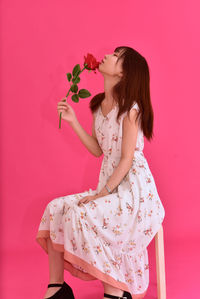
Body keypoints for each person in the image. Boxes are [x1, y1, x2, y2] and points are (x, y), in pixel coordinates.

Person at [36, 46, 165, 299]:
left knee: (82, 213)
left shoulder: (132, 109)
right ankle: (57, 288)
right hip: (108, 186)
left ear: (123, 74)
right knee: (55, 208)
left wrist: (100, 195)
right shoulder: (98, 105)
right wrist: (73, 122)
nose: (108, 55)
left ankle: (115, 290)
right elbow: (98, 149)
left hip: (132, 192)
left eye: (117, 57)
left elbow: (126, 159)